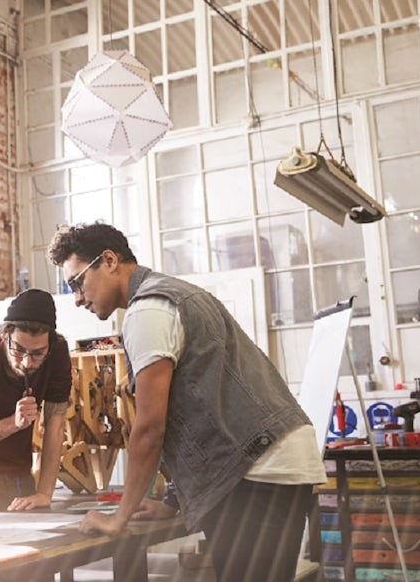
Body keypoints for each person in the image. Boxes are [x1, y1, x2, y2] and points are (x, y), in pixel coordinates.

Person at [47, 223, 327, 582]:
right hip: (267, 462)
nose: (77, 298)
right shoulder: (176, 295)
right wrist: (173, 501)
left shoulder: (148, 310)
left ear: (110, 261)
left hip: (255, 471)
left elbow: (151, 426)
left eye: (76, 282)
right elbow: (201, 409)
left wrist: (120, 517)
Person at [0, 289, 72, 513]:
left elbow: (55, 425)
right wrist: (11, 424)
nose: (27, 362)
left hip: (20, 474)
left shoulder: (56, 353)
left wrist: (45, 493)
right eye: (18, 350)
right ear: (4, 335)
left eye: (38, 353)